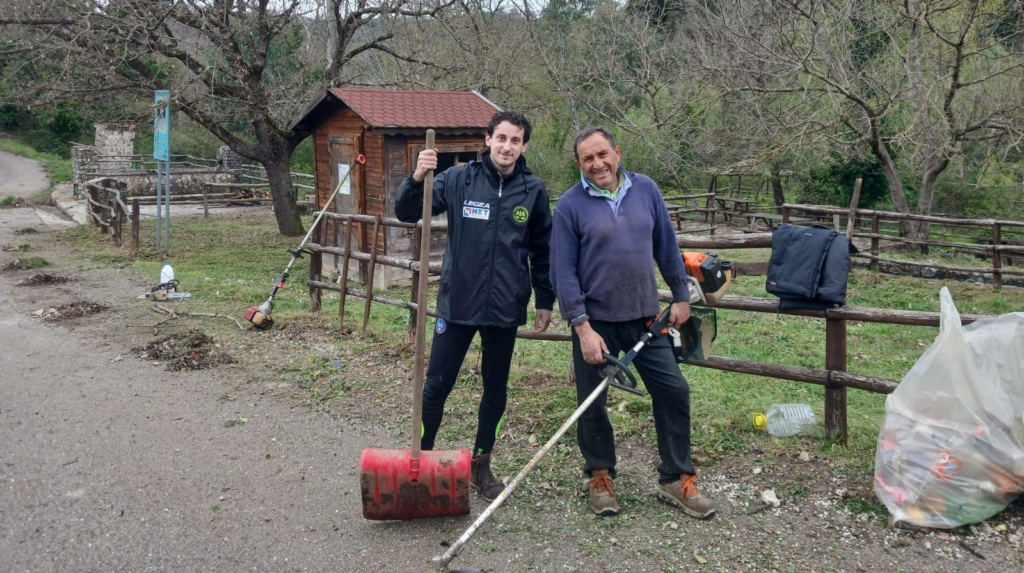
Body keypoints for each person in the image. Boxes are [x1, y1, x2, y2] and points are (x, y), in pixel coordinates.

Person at [550, 127, 715, 519]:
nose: (597, 164)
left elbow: (666, 245)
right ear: (579, 164)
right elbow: (563, 271)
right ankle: (601, 476)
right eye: (588, 159)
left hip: (645, 317)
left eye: (603, 154)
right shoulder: (570, 205)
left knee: (673, 391)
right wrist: (582, 327)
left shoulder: (646, 190)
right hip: (596, 323)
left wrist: (679, 294)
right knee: (593, 402)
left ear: (617, 152)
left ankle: (676, 479)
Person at [394, 111, 554, 501]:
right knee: (435, 387)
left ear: (524, 146)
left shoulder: (533, 191)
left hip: (505, 307)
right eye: (501, 138)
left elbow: (542, 251)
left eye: (515, 140)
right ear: (487, 139)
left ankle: (481, 464)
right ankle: (424, 456)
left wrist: (544, 299)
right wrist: (417, 177)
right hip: (458, 304)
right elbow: (406, 211)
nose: (507, 146)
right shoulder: (457, 179)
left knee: (495, 389)